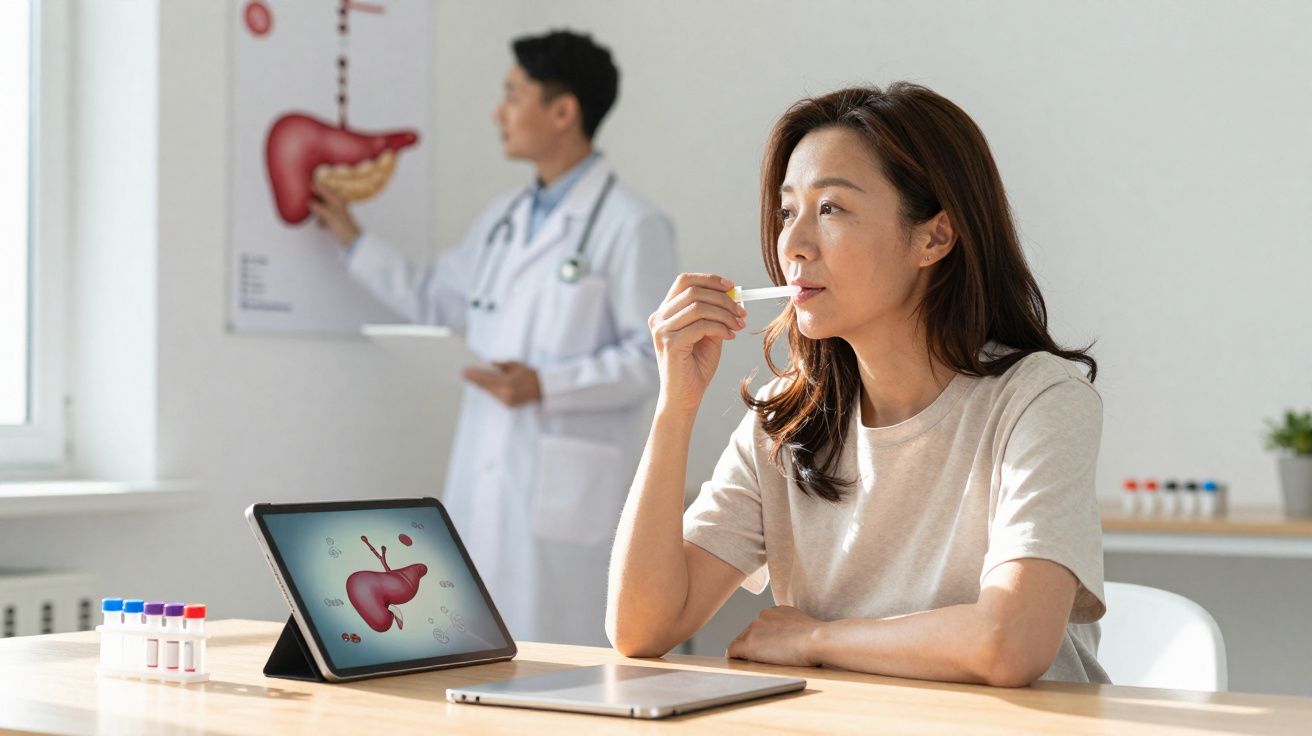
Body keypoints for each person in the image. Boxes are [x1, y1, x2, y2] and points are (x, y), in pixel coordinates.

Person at [607, 83, 1108, 686]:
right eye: (788, 211)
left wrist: (814, 639)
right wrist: (675, 407)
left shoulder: (1038, 400)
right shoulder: (786, 419)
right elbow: (641, 628)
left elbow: (1010, 643)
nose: (792, 245)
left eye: (832, 209)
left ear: (933, 238)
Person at [311, 30, 678, 646]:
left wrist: (546, 384)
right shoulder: (504, 221)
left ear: (563, 111)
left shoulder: (632, 226)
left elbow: (655, 360)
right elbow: (435, 298)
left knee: (556, 667)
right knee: (471, 651)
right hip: (485, 474)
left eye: (513, 94)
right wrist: (352, 240)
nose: (497, 111)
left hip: (562, 496)